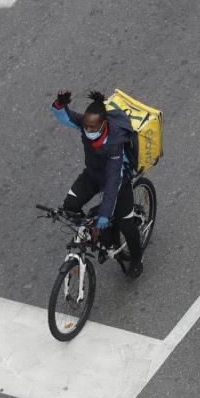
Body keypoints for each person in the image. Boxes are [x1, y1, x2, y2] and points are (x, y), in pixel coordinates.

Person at [50, 90, 144, 278]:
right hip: (93, 175)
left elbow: (113, 181)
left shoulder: (115, 143)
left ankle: (136, 260)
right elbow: (66, 117)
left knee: (126, 224)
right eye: (86, 126)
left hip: (118, 182)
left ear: (104, 125)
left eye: (93, 128)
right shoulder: (87, 125)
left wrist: (105, 213)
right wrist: (60, 104)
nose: (88, 130)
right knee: (70, 206)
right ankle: (100, 232)